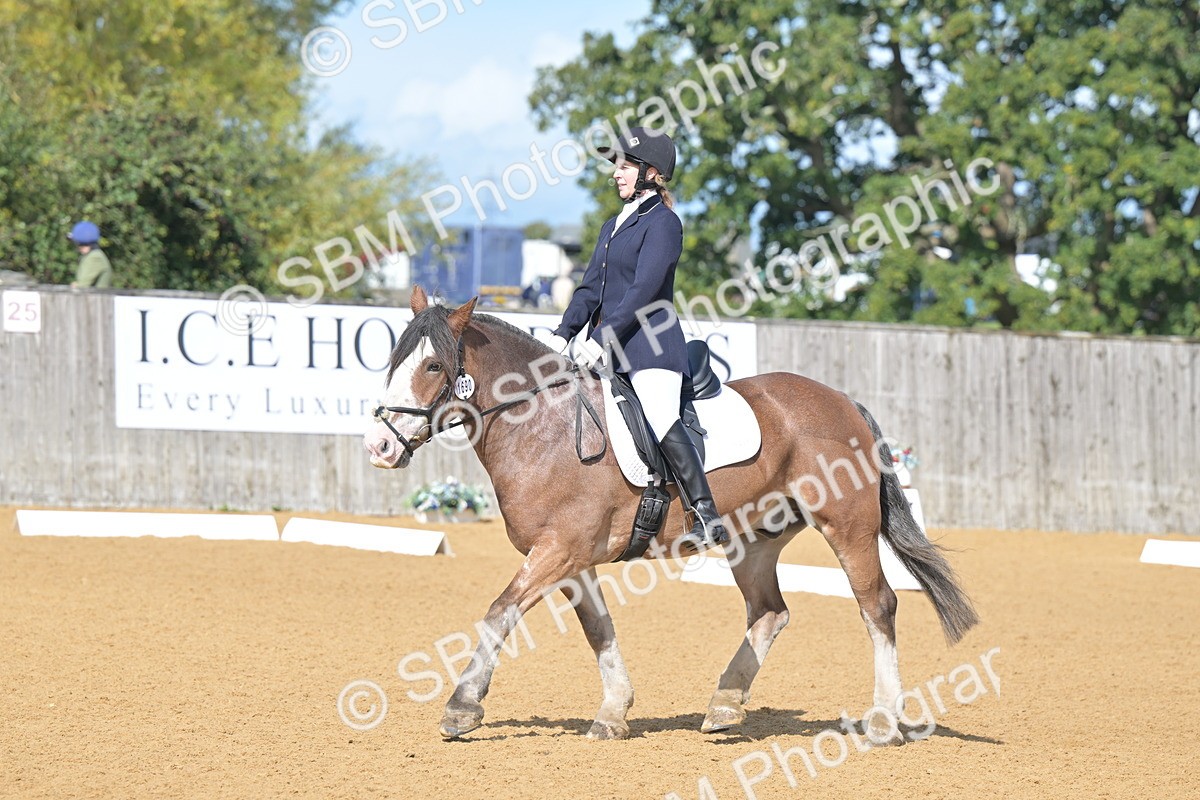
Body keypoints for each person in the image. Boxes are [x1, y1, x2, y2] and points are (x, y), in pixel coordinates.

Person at [546, 127, 729, 552]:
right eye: (616, 165)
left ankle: (705, 511)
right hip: (610, 349)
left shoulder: (665, 224)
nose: (616, 173)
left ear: (650, 172)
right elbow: (590, 288)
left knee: (660, 413)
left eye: (624, 166)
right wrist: (564, 332)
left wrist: (602, 338)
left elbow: (643, 291)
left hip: (651, 348)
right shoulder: (613, 225)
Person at [68, 221, 113, 288]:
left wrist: (75, 285)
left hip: (97, 298)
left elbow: (82, 285)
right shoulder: (92, 255)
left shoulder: (95, 257)